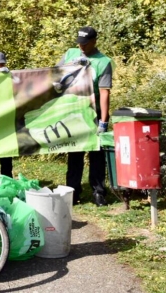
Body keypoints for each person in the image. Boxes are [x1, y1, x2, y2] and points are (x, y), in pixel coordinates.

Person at [62, 26, 113, 207]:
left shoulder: (103, 62)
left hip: (94, 111)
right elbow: (56, 76)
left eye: (85, 43)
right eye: (79, 43)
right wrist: (72, 66)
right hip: (74, 110)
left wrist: (104, 121)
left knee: (96, 154)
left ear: (94, 41)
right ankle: (73, 191)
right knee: (75, 152)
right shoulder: (70, 53)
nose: (81, 46)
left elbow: (105, 92)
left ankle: (98, 192)